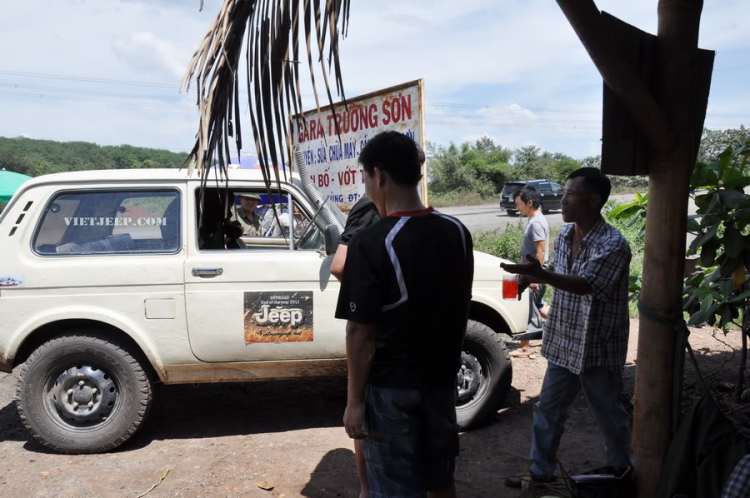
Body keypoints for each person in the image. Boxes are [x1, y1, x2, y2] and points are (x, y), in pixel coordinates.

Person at [335, 131, 473, 498]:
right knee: (441, 482)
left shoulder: (372, 241)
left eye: (365, 177)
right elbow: (460, 306)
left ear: (378, 176)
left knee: (394, 489)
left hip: (392, 390)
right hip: (442, 384)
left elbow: (360, 334)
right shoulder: (457, 232)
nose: (366, 186)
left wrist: (354, 403)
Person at [501, 168, 632, 489]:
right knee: (547, 409)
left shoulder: (614, 244)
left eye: (569, 195)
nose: (562, 200)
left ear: (592, 200)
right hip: (564, 341)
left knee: (608, 415)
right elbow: (560, 273)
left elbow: (585, 285)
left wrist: (541, 275)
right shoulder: (565, 235)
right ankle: (541, 472)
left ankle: (621, 474)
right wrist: (532, 276)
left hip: (597, 346)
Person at [330, 194, 382, 498]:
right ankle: (366, 490)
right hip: (378, 340)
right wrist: (366, 298)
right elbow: (340, 265)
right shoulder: (370, 204)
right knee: (365, 412)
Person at [510, 185, 549, 358]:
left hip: (532, 275)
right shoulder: (535, 220)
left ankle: (525, 347)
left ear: (530, 202)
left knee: (524, 307)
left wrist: (535, 277)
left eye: (519, 204)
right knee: (539, 307)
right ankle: (569, 325)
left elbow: (540, 251)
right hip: (531, 274)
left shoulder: (536, 223)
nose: (517, 208)